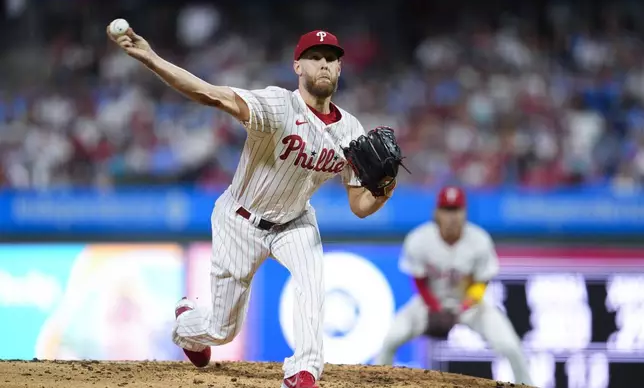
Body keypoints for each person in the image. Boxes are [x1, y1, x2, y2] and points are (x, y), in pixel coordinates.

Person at [106, 26, 396, 388]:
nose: (324, 65)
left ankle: (304, 371)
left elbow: (359, 206)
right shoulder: (277, 105)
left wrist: (384, 188)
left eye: (332, 59)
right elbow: (209, 95)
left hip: (295, 221)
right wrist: (151, 58)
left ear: (339, 69)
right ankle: (187, 325)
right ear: (297, 67)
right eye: (315, 58)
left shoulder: (351, 130)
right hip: (240, 220)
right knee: (221, 329)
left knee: (313, 280)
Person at [373, 186, 533, 386]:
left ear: (464, 212)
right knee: (391, 338)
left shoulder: (479, 240)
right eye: (446, 210)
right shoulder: (420, 239)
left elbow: (482, 281)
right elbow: (419, 280)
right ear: (436, 213)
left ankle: (527, 384)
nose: (452, 216)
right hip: (429, 303)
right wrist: (434, 306)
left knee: (510, 345)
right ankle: (377, 384)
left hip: (470, 305)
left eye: (456, 210)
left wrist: (465, 306)